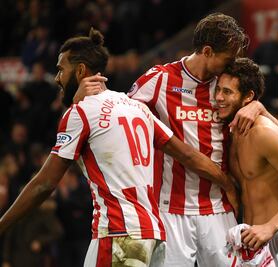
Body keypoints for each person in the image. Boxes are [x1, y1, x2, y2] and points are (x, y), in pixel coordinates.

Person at [0, 28, 237, 267]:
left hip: (116, 234)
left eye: (61, 69)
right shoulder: (136, 107)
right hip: (153, 234)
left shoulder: (79, 112)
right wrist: (226, 181)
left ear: (81, 70)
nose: (57, 77)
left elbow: (44, 184)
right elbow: (187, 154)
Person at [75, 13, 278, 266]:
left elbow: (274, 129)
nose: (233, 63)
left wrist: (258, 108)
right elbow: (120, 116)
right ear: (207, 51)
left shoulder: (226, 86)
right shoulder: (160, 80)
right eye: (229, 57)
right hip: (169, 210)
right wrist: (84, 98)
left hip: (218, 208)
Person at [216, 58, 278, 266]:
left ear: (248, 97)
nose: (218, 97)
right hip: (250, 241)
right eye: (218, 90)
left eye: (227, 92)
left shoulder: (263, 132)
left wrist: (270, 227)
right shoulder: (230, 131)